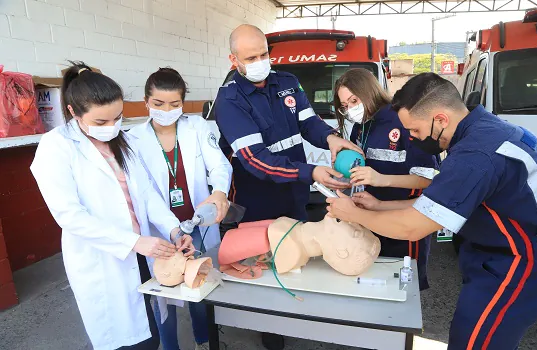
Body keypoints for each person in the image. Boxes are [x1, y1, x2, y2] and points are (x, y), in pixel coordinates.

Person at [326, 72, 537, 349]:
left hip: (523, 257)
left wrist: (353, 213)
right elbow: (441, 199)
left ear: (440, 119)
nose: (412, 137)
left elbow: (414, 226)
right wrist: (379, 205)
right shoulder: (483, 130)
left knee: (476, 341)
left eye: (416, 131)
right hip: (495, 249)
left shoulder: (476, 155)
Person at [213, 24, 362, 350]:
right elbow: (256, 160)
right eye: (251, 57)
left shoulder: (288, 83)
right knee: (261, 263)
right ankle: (270, 328)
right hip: (256, 198)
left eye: (264, 54)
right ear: (233, 60)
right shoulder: (230, 101)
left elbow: (309, 123)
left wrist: (332, 139)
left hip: (292, 192)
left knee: (295, 252)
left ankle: (296, 310)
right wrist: (313, 172)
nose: (260, 61)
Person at [30, 61, 194, 350]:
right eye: (101, 122)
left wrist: (173, 230)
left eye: (117, 118)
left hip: (142, 255)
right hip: (104, 261)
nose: (112, 127)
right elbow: (69, 215)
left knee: (152, 332)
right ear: (73, 112)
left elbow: (146, 194)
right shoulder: (56, 146)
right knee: (126, 342)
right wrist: (133, 242)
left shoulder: (123, 142)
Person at [128, 67, 232, 350]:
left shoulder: (197, 127)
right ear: (146, 101)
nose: (166, 110)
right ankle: (170, 346)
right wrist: (171, 228)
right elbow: (145, 194)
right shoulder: (132, 140)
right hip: (161, 228)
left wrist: (219, 193)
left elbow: (219, 164)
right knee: (163, 292)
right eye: (159, 104)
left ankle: (204, 341)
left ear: (183, 103)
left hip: (199, 223)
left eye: (174, 104)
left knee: (199, 283)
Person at [333, 68, 438, 290]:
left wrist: (381, 179)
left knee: (405, 285)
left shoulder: (403, 120)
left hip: (405, 217)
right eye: (345, 106)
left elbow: (429, 180)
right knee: (376, 280)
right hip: (370, 215)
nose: (351, 109)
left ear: (369, 91)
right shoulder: (361, 127)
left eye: (354, 100)